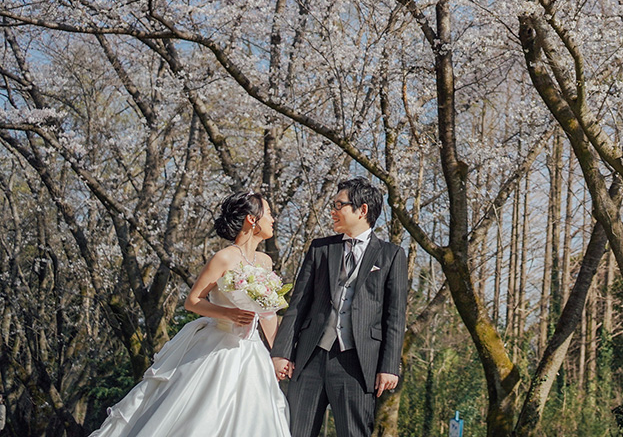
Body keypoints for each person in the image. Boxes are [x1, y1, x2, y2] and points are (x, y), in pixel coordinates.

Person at [89, 192, 290, 437]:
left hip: (253, 352)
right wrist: (229, 314)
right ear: (251, 219)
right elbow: (193, 301)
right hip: (218, 349)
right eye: (268, 213)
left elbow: (268, 314)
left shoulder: (265, 262)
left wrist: (278, 355)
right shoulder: (224, 257)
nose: (273, 219)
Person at [272, 177, 408, 437]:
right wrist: (282, 352)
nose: (332, 211)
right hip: (311, 356)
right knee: (295, 431)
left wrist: (389, 365)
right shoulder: (321, 249)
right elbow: (299, 303)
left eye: (339, 205)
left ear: (362, 210)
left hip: (358, 361)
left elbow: (395, 316)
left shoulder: (391, 255)